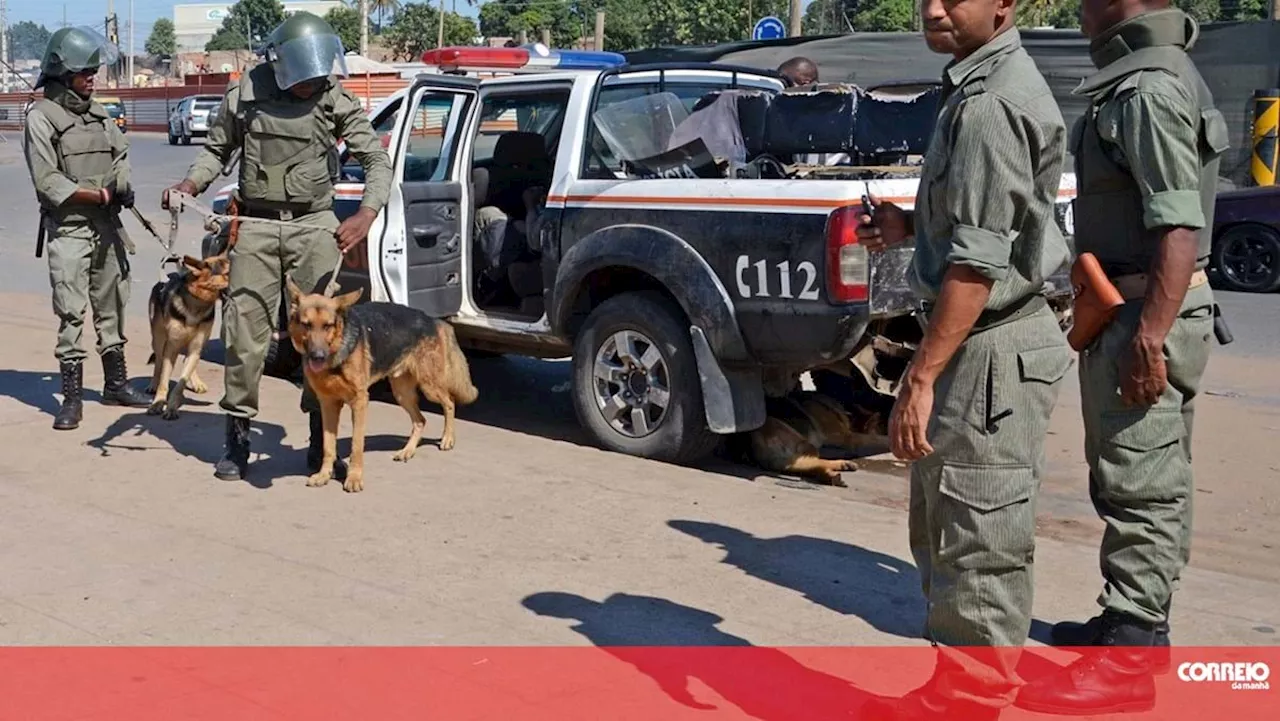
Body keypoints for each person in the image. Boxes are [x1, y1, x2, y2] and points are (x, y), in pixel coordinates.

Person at [855, 0, 1072, 717]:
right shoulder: (978, 87)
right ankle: (956, 692)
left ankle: (970, 701)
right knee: (949, 527)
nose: (934, 8)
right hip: (982, 339)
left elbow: (979, 267)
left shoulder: (989, 106)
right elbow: (993, 223)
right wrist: (912, 226)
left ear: (1005, 4)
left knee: (978, 538)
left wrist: (920, 376)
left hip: (987, 346)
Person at [1015, 2, 1226, 714]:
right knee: (1132, 474)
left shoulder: (1148, 88)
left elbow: (1177, 225)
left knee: (1142, 484)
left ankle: (1131, 655)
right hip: (1131, 307)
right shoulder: (1142, 76)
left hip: (1144, 313)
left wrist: (1150, 336)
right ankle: (1130, 624)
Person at [162, 11, 392, 482]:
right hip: (258, 227)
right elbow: (216, 151)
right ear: (284, 65)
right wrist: (190, 184)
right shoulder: (245, 94)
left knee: (320, 340)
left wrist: (366, 214)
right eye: (305, 76)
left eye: (319, 74)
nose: (314, 83)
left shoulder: (333, 96)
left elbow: (375, 158)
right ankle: (238, 440)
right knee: (245, 338)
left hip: (315, 228)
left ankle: (318, 443)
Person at [23, 26, 152, 431]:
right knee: (71, 311)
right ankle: (72, 398)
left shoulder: (98, 114)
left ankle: (115, 384)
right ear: (63, 74)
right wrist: (98, 195)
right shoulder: (41, 119)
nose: (92, 77)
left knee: (112, 303)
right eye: (84, 72)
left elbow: (121, 153)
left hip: (107, 227)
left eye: (94, 70)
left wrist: (122, 185)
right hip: (71, 229)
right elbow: (48, 181)